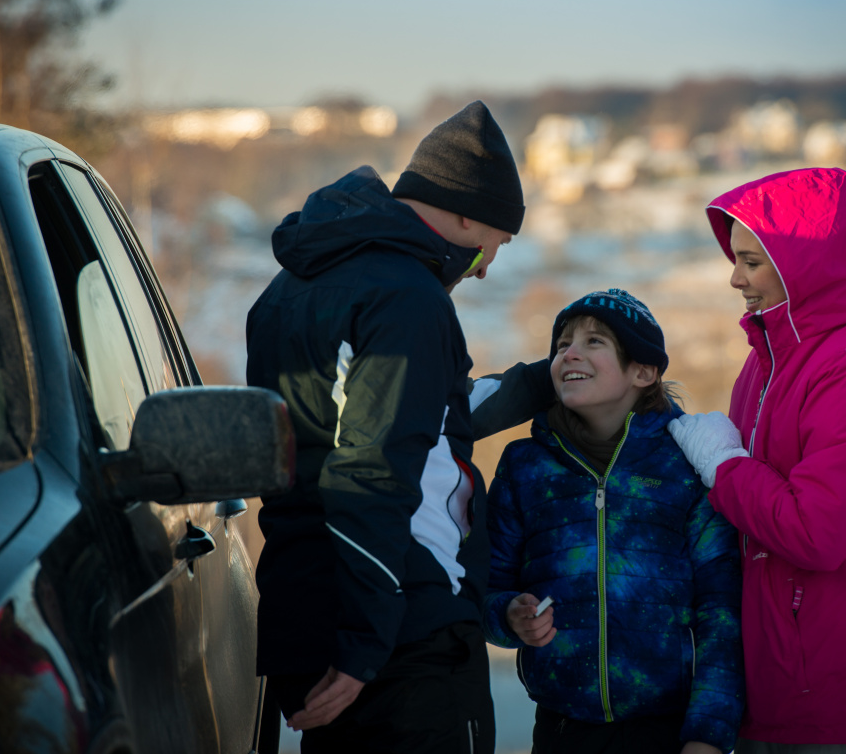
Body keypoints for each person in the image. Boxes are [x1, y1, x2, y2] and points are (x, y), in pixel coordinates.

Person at [245, 101, 554, 754]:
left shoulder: (290, 286)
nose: (486, 266)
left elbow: (409, 423)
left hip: (310, 610)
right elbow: (371, 470)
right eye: (495, 243)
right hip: (403, 634)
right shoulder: (407, 295)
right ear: (465, 213)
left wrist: (541, 382)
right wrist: (365, 644)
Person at [669, 167, 846, 753]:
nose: (734, 277)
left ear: (803, 264)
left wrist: (723, 464)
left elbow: (816, 532)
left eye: (751, 261)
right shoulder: (769, 361)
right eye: (735, 258)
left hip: (843, 703)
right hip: (779, 692)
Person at [482, 288, 744, 754]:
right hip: (562, 730)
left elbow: (721, 612)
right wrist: (508, 615)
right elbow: (486, 586)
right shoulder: (525, 466)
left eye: (594, 341)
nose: (569, 353)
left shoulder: (685, 465)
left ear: (643, 371)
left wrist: (709, 735)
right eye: (562, 344)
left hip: (667, 730)